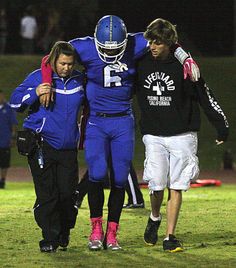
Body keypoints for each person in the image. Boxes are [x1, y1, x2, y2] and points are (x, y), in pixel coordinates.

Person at [40, 15, 200, 251]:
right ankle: (96, 229)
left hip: (123, 121)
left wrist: (185, 57)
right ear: (96, 41)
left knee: (118, 178)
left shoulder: (136, 42)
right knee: (95, 174)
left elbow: (166, 40)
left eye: (116, 49)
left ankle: (112, 232)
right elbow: (50, 57)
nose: (111, 54)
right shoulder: (83, 46)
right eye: (105, 48)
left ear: (125, 42)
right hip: (96, 121)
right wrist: (46, 82)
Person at [135, 18, 229, 252]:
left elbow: (204, 96)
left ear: (168, 43)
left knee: (176, 185)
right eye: (151, 42)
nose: (153, 47)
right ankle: (155, 218)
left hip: (182, 134)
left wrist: (221, 125)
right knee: (156, 185)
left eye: (158, 42)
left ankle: (170, 237)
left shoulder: (186, 67)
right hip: (154, 134)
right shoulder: (142, 62)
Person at [10, 41, 85, 253]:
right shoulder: (38, 77)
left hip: (68, 147)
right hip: (42, 145)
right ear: (53, 60)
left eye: (70, 64)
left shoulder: (80, 80)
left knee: (68, 194)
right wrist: (35, 91)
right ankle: (49, 238)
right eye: (62, 63)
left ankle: (64, 231)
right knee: (48, 195)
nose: (66, 68)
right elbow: (15, 103)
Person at [0, 90, 17, 189]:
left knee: (4, 163)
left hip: (4, 140)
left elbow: (13, 124)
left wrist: (13, 137)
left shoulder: (9, 108)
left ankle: (2, 181)